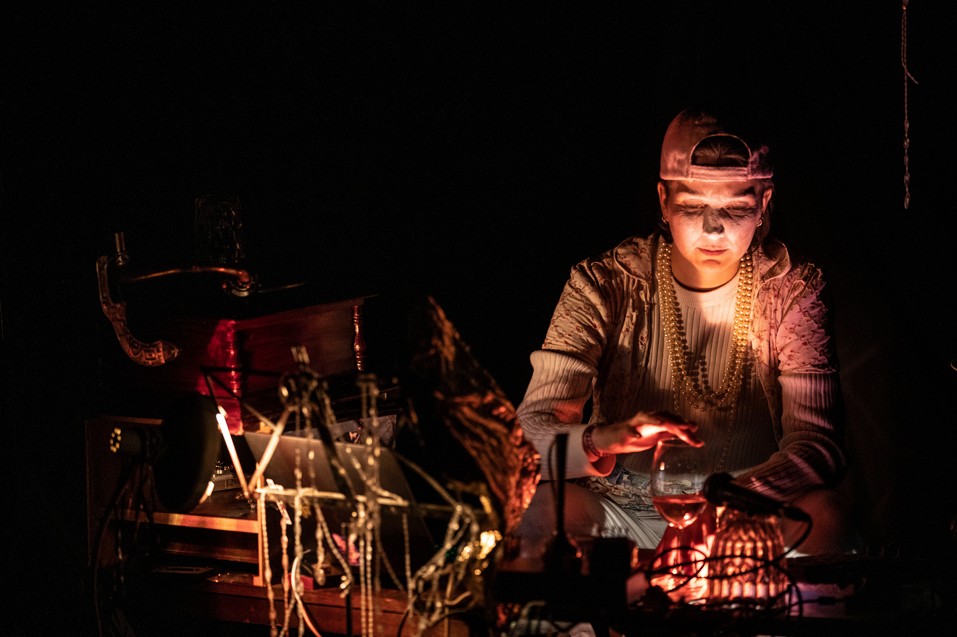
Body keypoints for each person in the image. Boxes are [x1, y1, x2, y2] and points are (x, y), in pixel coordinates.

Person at [515, 106, 857, 556]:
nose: (713, 230)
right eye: (693, 206)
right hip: (620, 512)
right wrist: (602, 439)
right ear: (663, 200)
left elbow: (816, 446)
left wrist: (726, 503)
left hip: (742, 512)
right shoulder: (604, 283)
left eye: (736, 207)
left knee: (825, 517)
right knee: (539, 512)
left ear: (764, 203)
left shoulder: (791, 289)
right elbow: (525, 443)